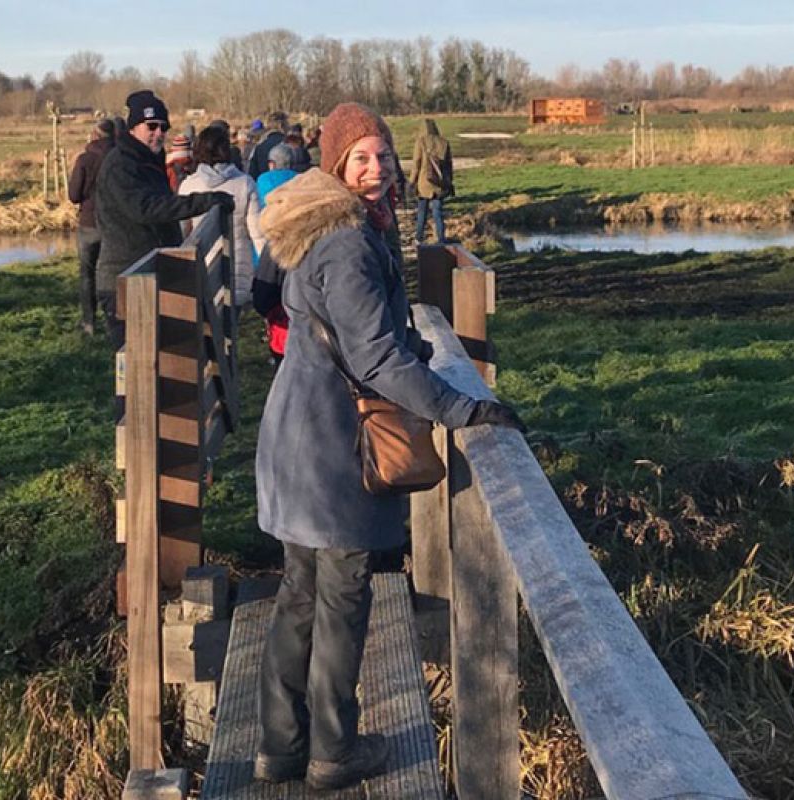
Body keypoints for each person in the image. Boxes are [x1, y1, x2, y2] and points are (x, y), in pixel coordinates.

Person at [251, 102, 524, 792]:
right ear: (335, 164)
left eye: (383, 156)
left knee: (300, 594)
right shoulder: (344, 242)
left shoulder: (322, 225)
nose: (375, 171)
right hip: (329, 444)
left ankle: (280, 747)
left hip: (297, 427)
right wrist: (461, 408)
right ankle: (332, 753)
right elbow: (374, 360)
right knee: (339, 596)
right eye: (360, 158)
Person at [94, 89, 232, 349]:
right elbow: (145, 208)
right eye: (152, 126)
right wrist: (204, 201)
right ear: (134, 127)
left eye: (163, 127)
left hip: (148, 271)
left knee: (163, 355)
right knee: (135, 362)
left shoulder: (148, 160)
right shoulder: (121, 165)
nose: (159, 132)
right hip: (124, 279)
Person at [177, 125, 264, 307]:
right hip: (238, 269)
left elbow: (183, 232)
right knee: (231, 324)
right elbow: (258, 233)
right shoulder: (245, 183)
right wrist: (266, 273)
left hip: (203, 268)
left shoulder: (188, 186)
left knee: (207, 326)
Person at [251, 143, 303, 364]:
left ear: (271, 164)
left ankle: (274, 333)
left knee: (271, 294)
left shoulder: (263, 181)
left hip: (270, 242)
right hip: (300, 241)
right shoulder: (302, 181)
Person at [67, 118, 115, 335]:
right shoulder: (119, 159)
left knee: (87, 272)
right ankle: (112, 320)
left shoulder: (84, 159)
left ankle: (88, 322)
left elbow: (74, 195)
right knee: (110, 272)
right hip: (113, 224)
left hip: (88, 223)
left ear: (94, 135)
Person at [408, 118, 454, 244]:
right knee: (438, 213)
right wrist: (449, 181)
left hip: (424, 183)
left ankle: (419, 238)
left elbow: (416, 163)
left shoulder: (421, 142)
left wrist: (411, 182)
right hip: (439, 183)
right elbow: (449, 165)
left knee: (422, 211)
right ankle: (441, 238)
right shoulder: (444, 143)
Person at [248, 111, 289, 179]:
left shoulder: (259, 146)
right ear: (281, 125)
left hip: (264, 186)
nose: (289, 127)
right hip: (287, 185)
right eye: (287, 124)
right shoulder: (289, 145)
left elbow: (252, 173)